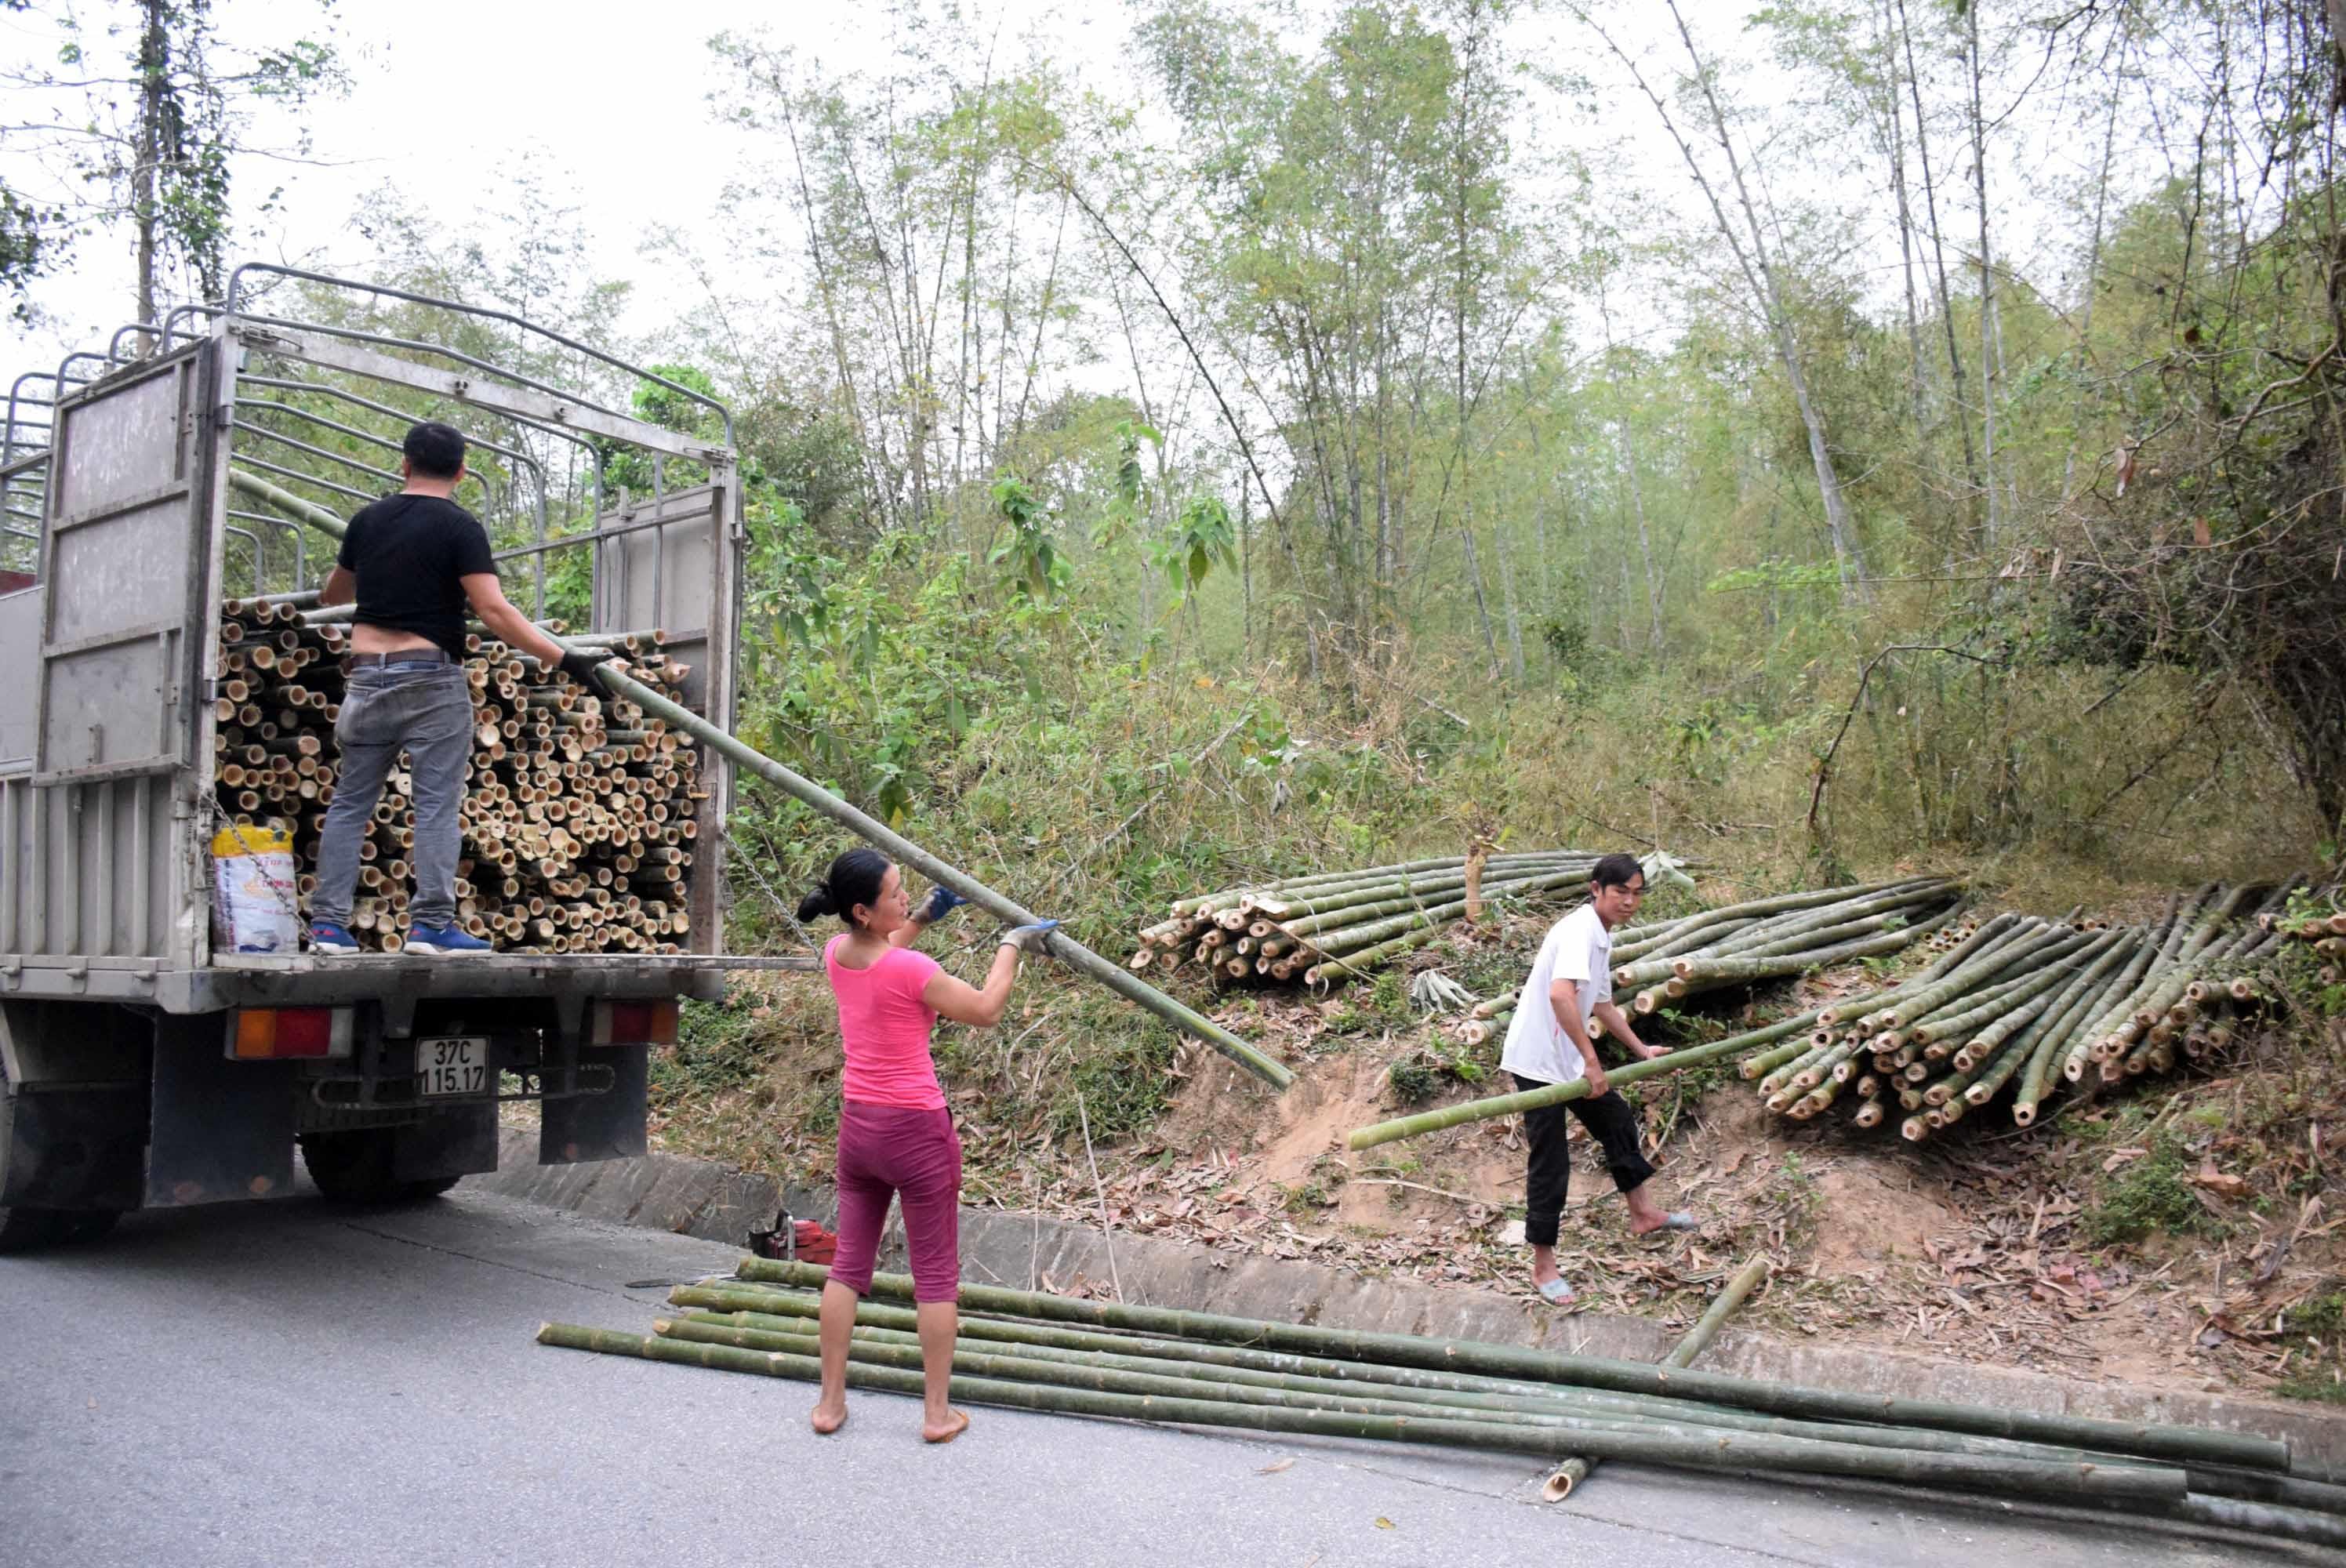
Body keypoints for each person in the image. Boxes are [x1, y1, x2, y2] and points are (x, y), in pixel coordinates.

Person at [305, 421, 615, 956]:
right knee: (434, 807)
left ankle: (328, 928)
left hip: (367, 676)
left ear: (403, 465)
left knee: (351, 804)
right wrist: (565, 658)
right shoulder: (459, 526)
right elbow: (493, 609)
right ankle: (429, 927)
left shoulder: (366, 521)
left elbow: (333, 593)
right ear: (462, 472)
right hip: (429, 677)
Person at [797, 848, 1058, 1443]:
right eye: (895, 894)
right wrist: (1013, 944)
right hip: (916, 1131)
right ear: (864, 910)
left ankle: (830, 1405)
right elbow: (987, 1009)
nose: (905, 898)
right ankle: (937, 1415)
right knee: (935, 1275)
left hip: (859, 1129)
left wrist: (926, 919)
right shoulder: (912, 971)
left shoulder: (835, 954)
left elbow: (884, 953)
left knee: (846, 1269)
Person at [1498, 852, 1696, 1306]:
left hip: (1566, 1060)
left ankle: (1643, 1213)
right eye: (1619, 892)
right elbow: (1559, 994)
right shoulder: (1579, 930)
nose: (1629, 901)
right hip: (1536, 1063)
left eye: (1635, 893)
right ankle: (1543, 1266)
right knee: (1551, 1161)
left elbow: (1602, 1004)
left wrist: (1640, 1050)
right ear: (1596, 890)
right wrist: (1591, 1060)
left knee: (1617, 1121)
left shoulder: (1600, 935)